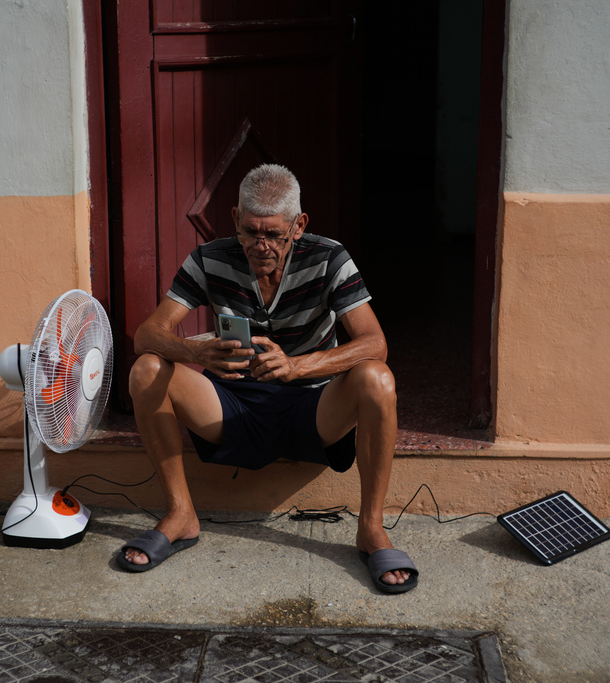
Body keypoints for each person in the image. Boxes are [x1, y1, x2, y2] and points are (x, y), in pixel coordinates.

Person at [116, 164, 417, 594]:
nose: (261, 246)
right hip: (234, 406)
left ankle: (371, 529)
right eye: (250, 231)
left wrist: (298, 366)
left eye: (274, 235)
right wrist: (196, 351)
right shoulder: (210, 258)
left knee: (377, 379)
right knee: (145, 368)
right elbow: (149, 333)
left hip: (313, 408)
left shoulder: (329, 257)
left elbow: (375, 344)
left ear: (299, 226)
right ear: (235, 217)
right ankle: (181, 514)